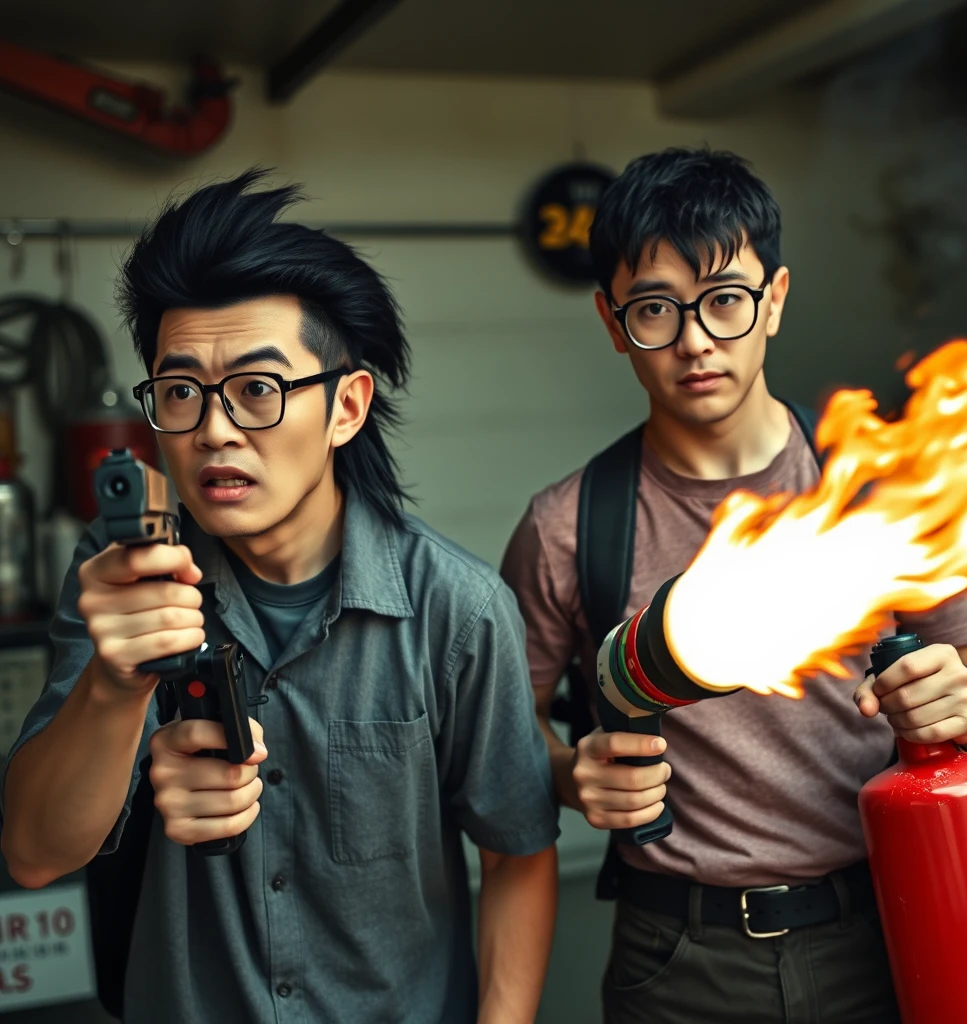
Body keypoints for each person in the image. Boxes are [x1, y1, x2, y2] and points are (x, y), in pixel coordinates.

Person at [0, 170, 560, 1024]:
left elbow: (517, 850)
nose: (214, 429)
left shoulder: (457, 608)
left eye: (258, 389)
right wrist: (117, 691)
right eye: (180, 392)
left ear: (347, 407)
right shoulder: (121, 576)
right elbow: (35, 855)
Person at [500, 146, 967, 1024]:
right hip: (677, 958)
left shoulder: (873, 489)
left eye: (725, 301)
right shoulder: (566, 526)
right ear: (612, 321)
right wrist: (568, 772)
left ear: (773, 301)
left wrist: (963, 707)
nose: (696, 339)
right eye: (656, 309)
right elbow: (502, 736)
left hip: (885, 924)